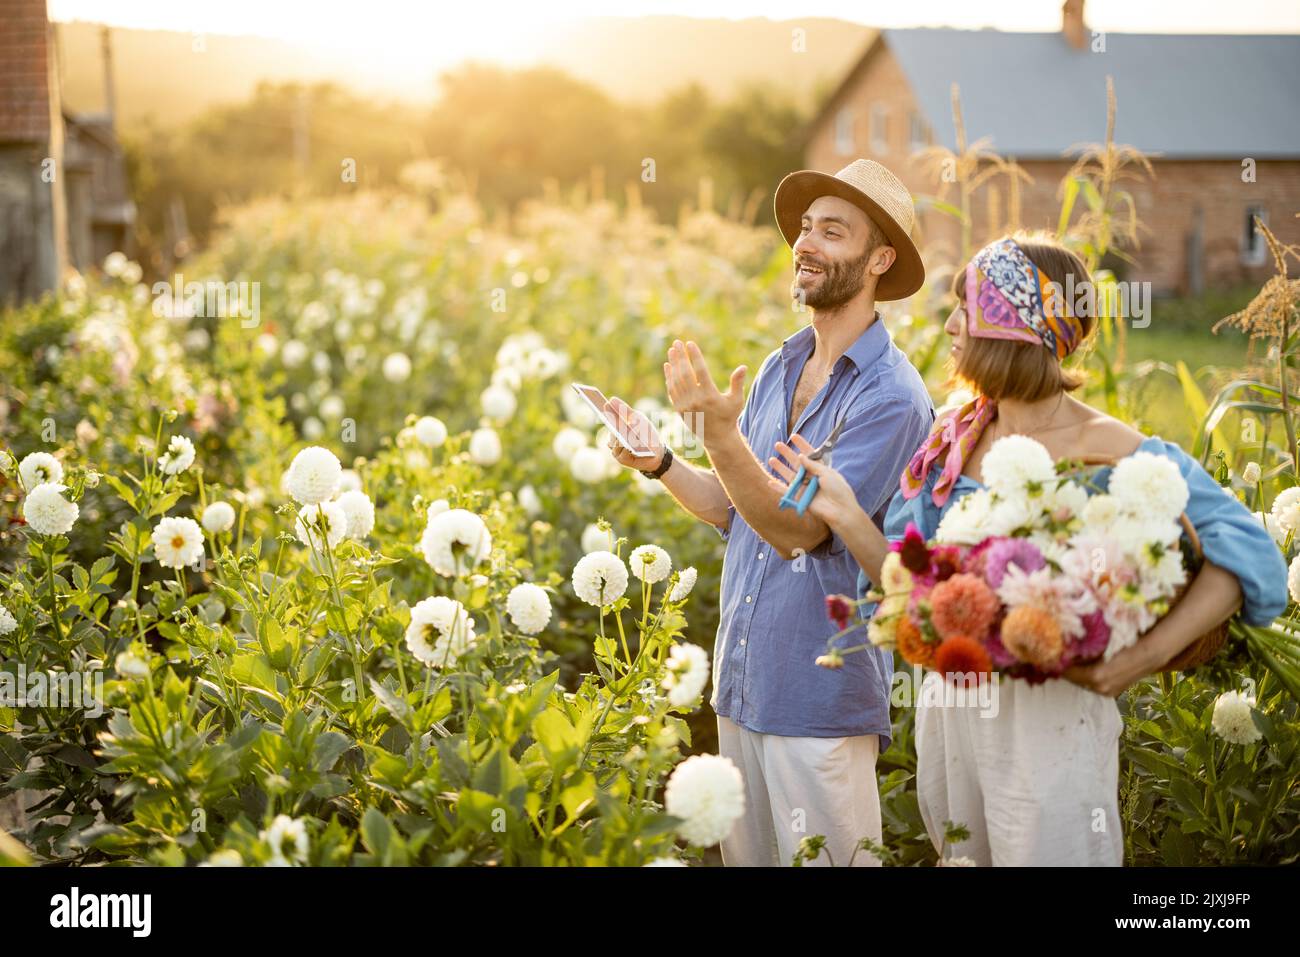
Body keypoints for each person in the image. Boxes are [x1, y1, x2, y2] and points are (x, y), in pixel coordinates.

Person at [767, 232, 1289, 866]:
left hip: (1051, 722)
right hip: (951, 707)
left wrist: (1137, 659)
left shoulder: (1110, 448)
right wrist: (846, 511)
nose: (951, 322)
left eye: (970, 306)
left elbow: (1250, 554)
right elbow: (908, 585)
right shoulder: (952, 438)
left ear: (1018, 330)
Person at [603, 159, 933, 866]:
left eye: (833, 231)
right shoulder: (781, 365)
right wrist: (663, 460)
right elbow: (735, 509)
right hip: (743, 687)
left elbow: (800, 531)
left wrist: (719, 435)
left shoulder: (890, 397)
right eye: (806, 228)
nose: (807, 243)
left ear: (879, 259)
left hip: (817, 701)